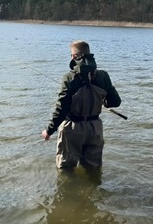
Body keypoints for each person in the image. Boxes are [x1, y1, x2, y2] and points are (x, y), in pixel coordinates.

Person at [41, 40, 121, 169]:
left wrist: (49, 130)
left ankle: (67, 189)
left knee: (65, 168)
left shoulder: (69, 77)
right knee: (93, 168)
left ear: (74, 56)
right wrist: (102, 100)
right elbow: (115, 102)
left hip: (72, 128)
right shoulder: (103, 76)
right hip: (95, 128)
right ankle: (93, 187)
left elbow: (61, 108)